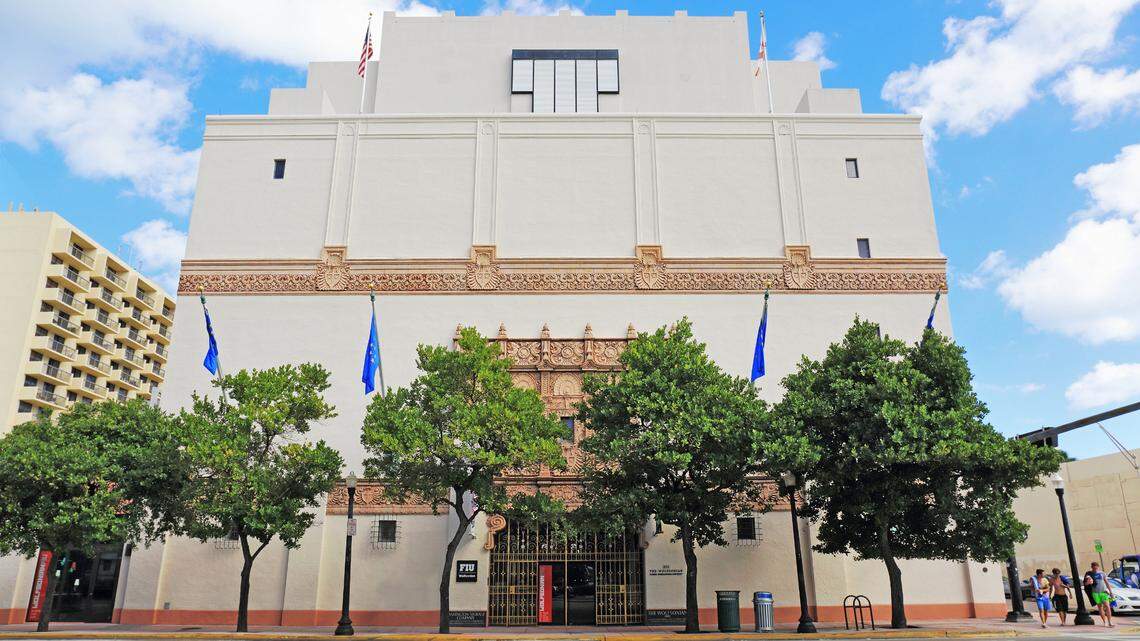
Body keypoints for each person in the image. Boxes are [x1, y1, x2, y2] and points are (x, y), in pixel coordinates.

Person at [1084, 562, 1115, 627]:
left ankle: (1110, 621)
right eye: (1094, 568)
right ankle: (1104, 622)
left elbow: (1107, 583)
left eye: (1096, 568)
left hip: (1103, 592)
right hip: (1095, 593)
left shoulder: (1102, 573)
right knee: (1100, 607)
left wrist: (1111, 592)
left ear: (1098, 567)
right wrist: (1088, 582)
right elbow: (1085, 584)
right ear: (1092, 567)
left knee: (1107, 606)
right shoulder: (1089, 574)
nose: (1095, 569)